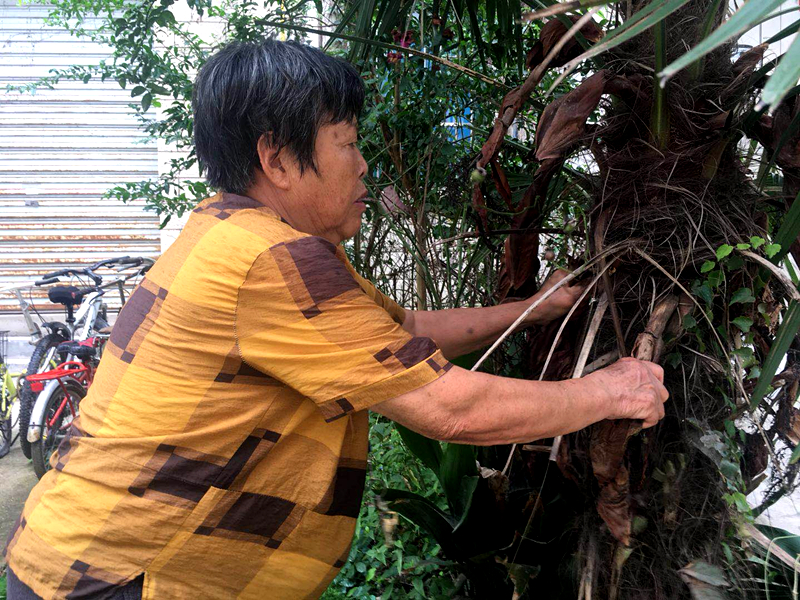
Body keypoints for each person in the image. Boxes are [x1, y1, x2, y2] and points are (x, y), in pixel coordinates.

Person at [4, 39, 668, 599]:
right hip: (123, 577)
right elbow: (455, 411)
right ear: (278, 159)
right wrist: (614, 389)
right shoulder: (270, 259)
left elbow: (399, 331)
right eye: (346, 143)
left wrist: (535, 309)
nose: (363, 164)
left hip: (84, 556)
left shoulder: (232, 232)